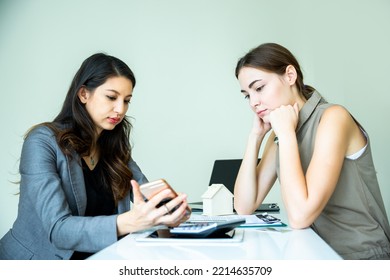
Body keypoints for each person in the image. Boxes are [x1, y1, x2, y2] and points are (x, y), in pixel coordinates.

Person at [0, 53, 189, 260]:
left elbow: (147, 198)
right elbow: (58, 229)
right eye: (111, 97)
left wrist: (169, 212)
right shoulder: (42, 141)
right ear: (83, 94)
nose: (120, 109)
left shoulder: (114, 146)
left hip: (97, 262)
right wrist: (131, 221)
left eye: (127, 101)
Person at [233, 42, 390, 260]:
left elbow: (300, 216)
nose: (254, 102)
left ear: (290, 75)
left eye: (259, 88)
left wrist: (286, 134)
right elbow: (243, 207)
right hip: (318, 253)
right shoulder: (280, 131)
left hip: (362, 256)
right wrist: (255, 137)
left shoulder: (334, 117)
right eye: (246, 95)